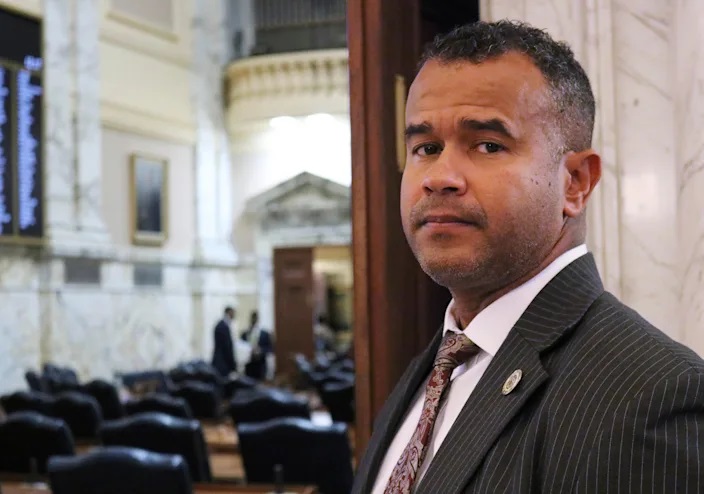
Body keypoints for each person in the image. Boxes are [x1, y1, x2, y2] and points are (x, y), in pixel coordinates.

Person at [353, 21, 704, 494]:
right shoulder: (434, 368)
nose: (440, 176)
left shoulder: (650, 395)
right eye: (426, 147)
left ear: (575, 182)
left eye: (488, 145)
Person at [240, 310, 274, 380]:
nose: (254, 320)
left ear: (258, 319)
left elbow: (270, 349)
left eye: (255, 318)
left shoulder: (265, 334)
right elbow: (241, 347)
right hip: (249, 365)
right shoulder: (245, 334)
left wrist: (261, 350)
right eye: (253, 318)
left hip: (260, 365)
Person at [211, 306, 237, 377]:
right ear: (229, 312)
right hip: (222, 363)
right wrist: (233, 365)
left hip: (221, 362)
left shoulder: (221, 325)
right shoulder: (223, 327)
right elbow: (227, 347)